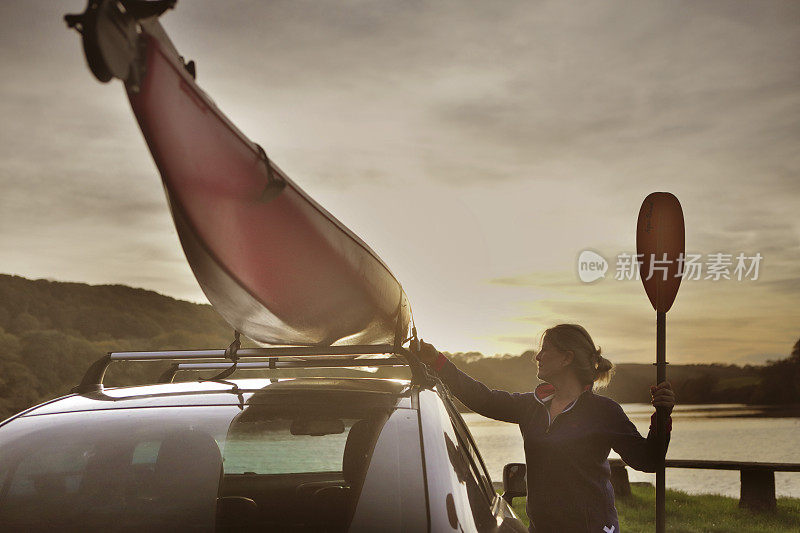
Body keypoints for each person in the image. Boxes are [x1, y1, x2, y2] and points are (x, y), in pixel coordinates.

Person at [410, 323, 675, 533]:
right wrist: (438, 362)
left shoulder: (603, 411)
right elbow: (484, 398)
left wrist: (662, 415)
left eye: (545, 349)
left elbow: (647, 460)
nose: (537, 356)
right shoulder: (532, 406)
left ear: (566, 358)